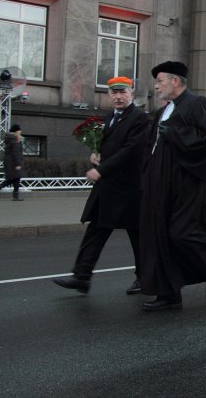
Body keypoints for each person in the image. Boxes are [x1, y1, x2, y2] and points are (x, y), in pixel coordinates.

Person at [139, 61, 206, 311]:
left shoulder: (198, 104)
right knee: (160, 237)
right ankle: (169, 294)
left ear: (175, 81)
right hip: (159, 185)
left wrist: (174, 134)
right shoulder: (164, 111)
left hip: (187, 184)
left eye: (160, 81)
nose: (156, 86)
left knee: (181, 232)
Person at [52, 77, 149, 295]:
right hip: (108, 188)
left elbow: (132, 150)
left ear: (131, 94)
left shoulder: (140, 118)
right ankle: (82, 276)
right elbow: (111, 145)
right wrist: (96, 154)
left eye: (122, 92)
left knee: (138, 236)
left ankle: (144, 278)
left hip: (130, 188)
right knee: (95, 231)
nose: (118, 97)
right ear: (108, 95)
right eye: (113, 93)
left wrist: (102, 169)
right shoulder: (110, 117)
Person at [0, 123, 25, 201]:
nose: (20, 132)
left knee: (13, 179)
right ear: (16, 131)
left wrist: (19, 140)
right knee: (14, 179)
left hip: (10, 163)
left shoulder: (11, 139)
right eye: (19, 130)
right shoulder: (14, 141)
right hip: (13, 163)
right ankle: (14, 196)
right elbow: (16, 153)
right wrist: (18, 164)